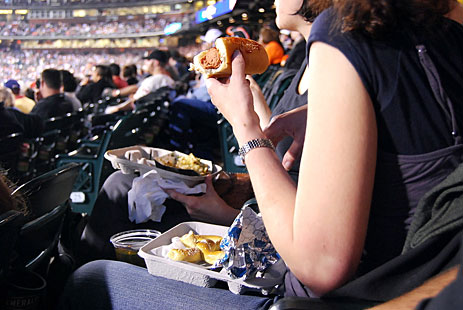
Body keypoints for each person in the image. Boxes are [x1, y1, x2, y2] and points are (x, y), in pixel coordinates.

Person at [60, 0, 463, 309]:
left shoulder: (341, 30)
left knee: (89, 280)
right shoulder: (442, 27)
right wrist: (324, 112)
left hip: (326, 298)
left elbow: (320, 266)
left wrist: (245, 126)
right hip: (412, 278)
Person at [74, 5, 310, 264]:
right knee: (119, 182)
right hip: (257, 195)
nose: (274, 3)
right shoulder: (308, 65)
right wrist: (254, 100)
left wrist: (223, 213)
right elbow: (279, 151)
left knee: (88, 276)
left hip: (260, 227)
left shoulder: (336, 77)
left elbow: (304, 242)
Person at [106, 50, 175, 113]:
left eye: (148, 60)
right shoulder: (170, 80)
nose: (145, 62)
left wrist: (115, 108)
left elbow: (136, 102)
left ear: (156, 62)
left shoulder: (152, 81)